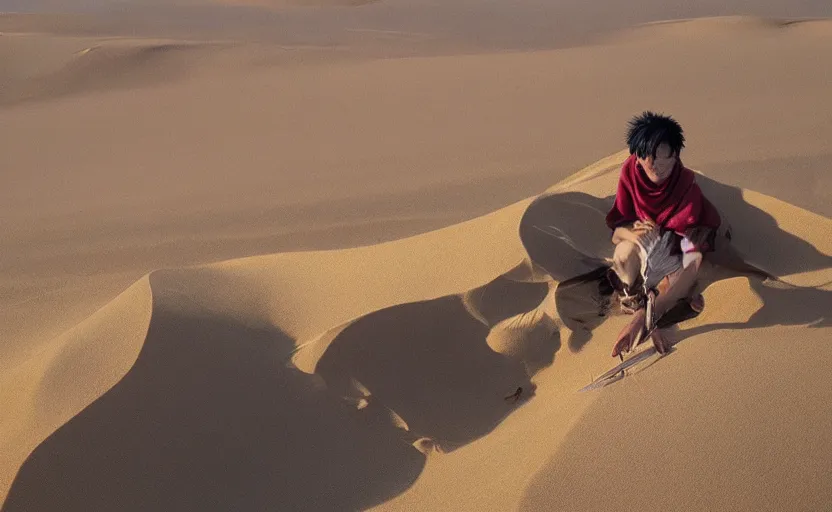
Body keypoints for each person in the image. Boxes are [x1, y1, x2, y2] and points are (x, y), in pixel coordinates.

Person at [605, 112, 722, 358]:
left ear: (675, 155)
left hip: (680, 245)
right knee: (624, 251)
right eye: (647, 154)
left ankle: (647, 318)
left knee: (688, 269)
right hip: (647, 244)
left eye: (663, 154)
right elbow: (618, 228)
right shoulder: (630, 174)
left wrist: (643, 321)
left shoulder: (685, 186)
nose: (654, 162)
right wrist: (631, 234)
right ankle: (645, 309)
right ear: (636, 156)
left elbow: (693, 246)